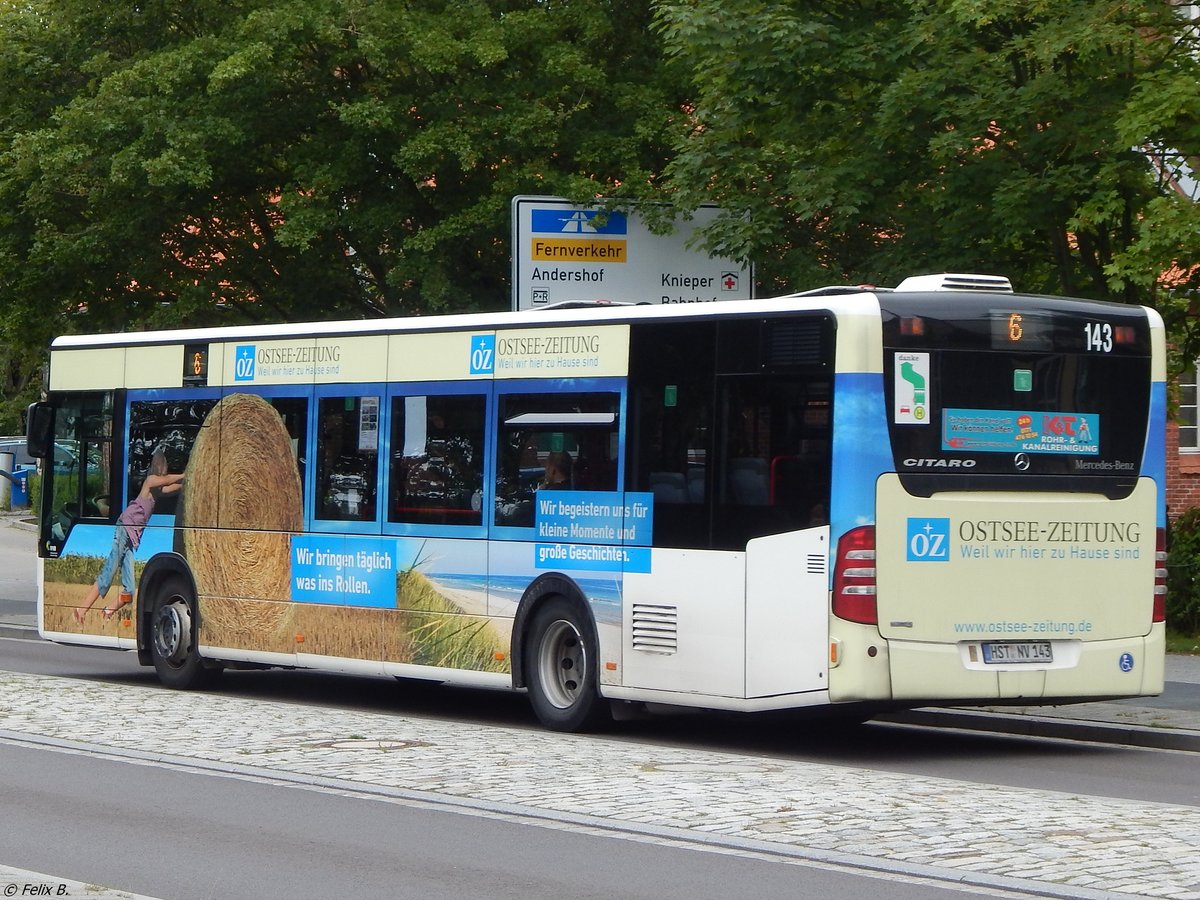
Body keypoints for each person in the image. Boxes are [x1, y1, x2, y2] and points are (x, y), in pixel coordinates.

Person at [73, 449, 184, 623]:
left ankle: (108, 611)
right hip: (125, 528)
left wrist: (189, 480)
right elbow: (167, 480)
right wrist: (184, 474)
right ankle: (81, 610)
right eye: (164, 466)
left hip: (132, 538)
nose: (165, 469)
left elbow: (173, 487)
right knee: (108, 573)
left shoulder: (157, 491)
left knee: (130, 590)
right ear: (158, 466)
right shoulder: (150, 482)